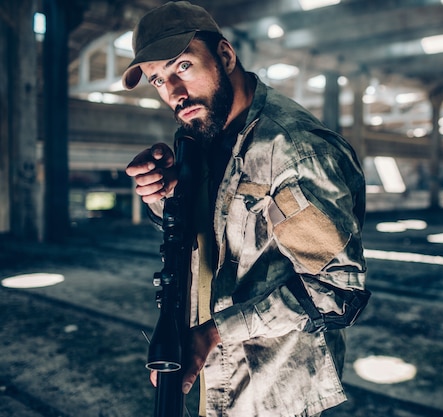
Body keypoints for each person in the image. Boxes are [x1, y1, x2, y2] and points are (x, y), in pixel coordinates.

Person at [123, 2, 369, 416]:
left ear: (225, 55)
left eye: (183, 66)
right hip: (212, 372)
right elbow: (213, 237)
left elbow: (338, 291)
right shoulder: (204, 137)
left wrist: (215, 333)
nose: (175, 94)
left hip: (272, 392)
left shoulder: (292, 152)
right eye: (158, 80)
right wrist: (162, 198)